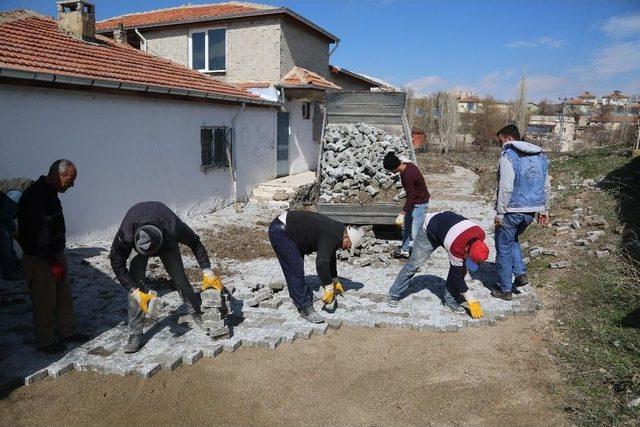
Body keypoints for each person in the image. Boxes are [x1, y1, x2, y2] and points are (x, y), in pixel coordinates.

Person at [109, 201, 223, 353]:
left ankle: (195, 311)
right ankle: (135, 334)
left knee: (180, 278)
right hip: (139, 244)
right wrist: (135, 291)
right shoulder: (127, 234)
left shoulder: (173, 227)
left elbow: (195, 243)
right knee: (136, 285)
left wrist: (207, 271)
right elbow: (116, 263)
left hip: (166, 243)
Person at [16, 160, 88, 354]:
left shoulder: (50, 194)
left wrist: (58, 257)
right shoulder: (35, 198)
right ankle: (46, 341)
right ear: (57, 175)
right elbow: (37, 236)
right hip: (40, 259)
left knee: (63, 296)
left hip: (55, 254)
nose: (72, 184)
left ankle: (67, 331)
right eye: (70, 179)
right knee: (44, 300)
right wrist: (51, 262)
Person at [387, 210, 489, 319]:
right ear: (467, 248)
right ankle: (394, 294)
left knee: (460, 268)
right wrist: (470, 299)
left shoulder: (481, 234)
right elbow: (457, 276)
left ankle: (450, 301)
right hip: (430, 227)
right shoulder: (456, 246)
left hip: (447, 229)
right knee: (414, 265)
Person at [268, 210, 364, 323]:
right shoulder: (332, 234)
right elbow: (321, 263)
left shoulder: (337, 232)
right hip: (281, 231)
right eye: (349, 246)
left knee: (296, 266)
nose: (347, 249)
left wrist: (334, 278)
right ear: (347, 237)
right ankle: (305, 308)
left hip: (291, 230)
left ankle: (298, 295)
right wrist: (328, 287)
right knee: (295, 270)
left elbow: (330, 255)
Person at [492, 125, 550, 301]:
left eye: (500, 140)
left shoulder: (508, 156)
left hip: (511, 211)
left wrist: (500, 213)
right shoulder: (540, 157)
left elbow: (506, 187)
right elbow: (546, 185)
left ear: (509, 138)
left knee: (502, 247)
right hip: (531, 211)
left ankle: (505, 290)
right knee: (513, 239)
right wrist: (545, 209)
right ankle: (520, 274)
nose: (500, 144)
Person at [383, 151, 430, 259]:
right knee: (406, 228)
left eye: (389, 170)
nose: (390, 172)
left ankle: (418, 256)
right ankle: (405, 250)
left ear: (393, 168)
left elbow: (412, 197)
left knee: (415, 233)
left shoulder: (408, 175)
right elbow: (411, 195)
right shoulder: (406, 167)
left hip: (420, 203)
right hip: (414, 201)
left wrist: (402, 213)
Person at [0, 178, 33, 280]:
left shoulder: (31, 192)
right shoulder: (17, 194)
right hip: (3, 215)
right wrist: (15, 232)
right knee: (4, 237)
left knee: (7, 232)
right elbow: (5, 217)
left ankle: (14, 262)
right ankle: (8, 272)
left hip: (3, 214)